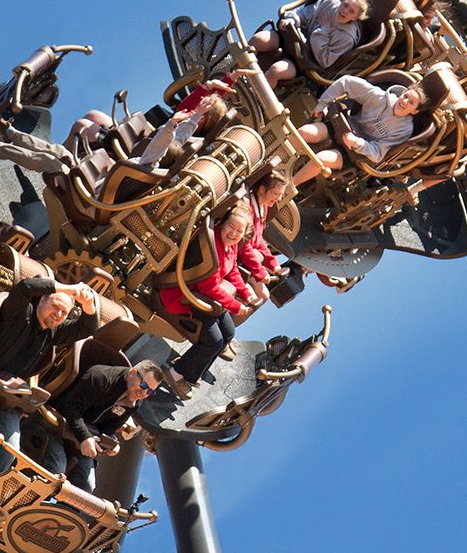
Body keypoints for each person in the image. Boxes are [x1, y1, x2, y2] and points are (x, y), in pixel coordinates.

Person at [0, 277, 100, 477]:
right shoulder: (20, 314)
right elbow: (25, 288)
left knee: (10, 447)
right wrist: (67, 288)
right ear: (42, 301)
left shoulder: (54, 333)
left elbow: (87, 328)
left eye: (64, 312)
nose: (58, 314)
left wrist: (88, 303)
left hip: (5, 397)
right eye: (55, 306)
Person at [158, 203, 256, 399]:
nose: (233, 233)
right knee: (213, 341)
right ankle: (176, 374)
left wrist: (247, 293)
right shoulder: (212, 248)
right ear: (222, 224)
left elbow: (233, 269)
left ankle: (193, 370)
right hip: (186, 295)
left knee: (228, 333)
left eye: (239, 231)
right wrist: (236, 306)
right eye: (231, 227)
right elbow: (208, 287)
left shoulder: (231, 246)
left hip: (206, 297)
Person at [42, 360, 164, 492]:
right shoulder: (101, 377)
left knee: (86, 486)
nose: (144, 393)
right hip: (56, 424)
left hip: (80, 437)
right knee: (55, 474)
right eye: (144, 385)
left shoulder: (135, 402)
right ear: (133, 373)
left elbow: (108, 428)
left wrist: (111, 442)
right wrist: (85, 437)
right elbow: (69, 407)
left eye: (150, 392)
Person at [292, 75, 428, 185]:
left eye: (411, 103)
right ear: (402, 93)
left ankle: (289, 187)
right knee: (305, 132)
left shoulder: (404, 130)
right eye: (406, 96)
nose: (404, 102)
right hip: (342, 129)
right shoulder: (380, 98)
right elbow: (346, 82)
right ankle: (275, 160)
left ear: (415, 111)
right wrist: (322, 104)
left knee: (321, 159)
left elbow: (378, 154)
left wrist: (357, 143)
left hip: (354, 153)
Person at [250, 0, 370, 88]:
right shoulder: (328, 3)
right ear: (342, 0)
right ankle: (234, 70)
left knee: (276, 71)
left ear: (355, 18)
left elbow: (325, 61)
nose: (345, 11)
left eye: (351, 11)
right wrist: (291, 20)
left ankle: (254, 101)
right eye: (346, 5)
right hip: (290, 37)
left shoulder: (347, 37)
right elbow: (303, 14)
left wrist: (323, 32)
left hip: (303, 60)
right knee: (258, 40)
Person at [131, 93, 226, 169]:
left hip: (141, 158)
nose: (195, 107)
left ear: (202, 119)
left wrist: (172, 122)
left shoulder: (188, 131)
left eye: (199, 106)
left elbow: (168, 142)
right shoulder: (200, 138)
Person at [237, 171, 290, 305]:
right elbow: (244, 245)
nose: (278, 199)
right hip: (237, 256)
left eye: (280, 195)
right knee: (251, 298)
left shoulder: (263, 208)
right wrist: (260, 271)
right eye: (275, 194)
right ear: (262, 189)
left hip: (247, 258)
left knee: (264, 296)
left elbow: (258, 239)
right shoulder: (247, 208)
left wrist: (274, 265)